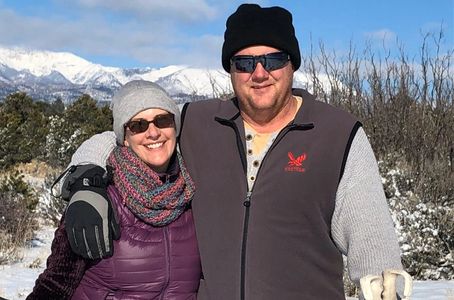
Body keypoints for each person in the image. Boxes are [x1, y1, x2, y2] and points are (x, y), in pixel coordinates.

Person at [59, 4, 409, 300]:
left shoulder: (337, 134)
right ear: (230, 70)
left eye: (273, 59)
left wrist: (385, 290)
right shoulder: (198, 122)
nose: (260, 73)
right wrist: (85, 181)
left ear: (292, 64)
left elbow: (375, 250)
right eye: (244, 63)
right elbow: (127, 133)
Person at [27, 80, 201, 299]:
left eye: (163, 120)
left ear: (175, 128)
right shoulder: (99, 198)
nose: (153, 133)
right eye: (138, 125)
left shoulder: (192, 193)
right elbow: (55, 285)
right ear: (125, 138)